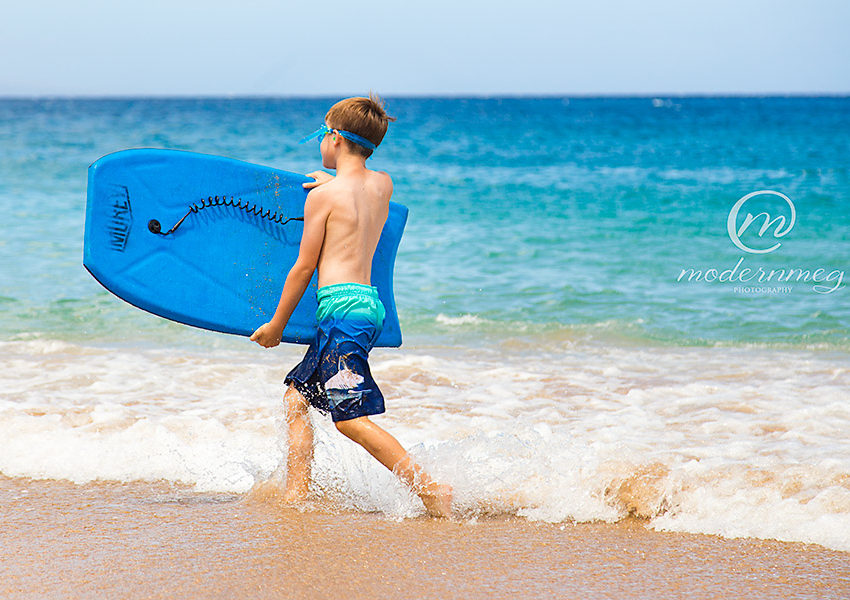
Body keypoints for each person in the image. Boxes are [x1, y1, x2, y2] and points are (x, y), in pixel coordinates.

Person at [250, 94, 452, 517]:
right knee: (296, 399)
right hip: (365, 309)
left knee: (349, 420)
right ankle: (296, 495)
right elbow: (358, 191)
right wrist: (332, 183)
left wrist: (275, 324)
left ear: (336, 139)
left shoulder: (322, 198)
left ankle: (430, 489)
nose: (320, 142)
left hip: (341, 313)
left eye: (322, 134)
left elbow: (303, 268)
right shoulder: (383, 184)